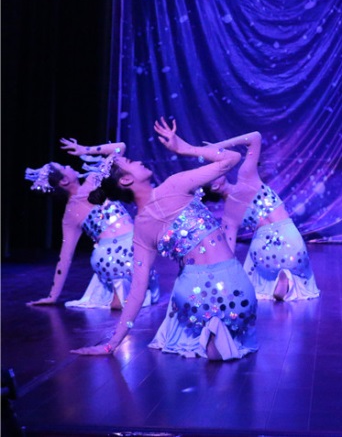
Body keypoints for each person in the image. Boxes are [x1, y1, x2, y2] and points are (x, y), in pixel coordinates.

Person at [72, 119, 257, 360]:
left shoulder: (141, 229)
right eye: (130, 162)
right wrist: (184, 148)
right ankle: (216, 333)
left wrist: (111, 345)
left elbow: (138, 291)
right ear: (126, 180)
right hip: (236, 289)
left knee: (202, 319)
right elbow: (232, 158)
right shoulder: (174, 185)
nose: (138, 161)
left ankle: (209, 330)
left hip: (193, 297)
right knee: (233, 321)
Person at [24, 139, 159, 309]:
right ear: (64, 181)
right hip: (130, 247)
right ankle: (122, 293)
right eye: (64, 167)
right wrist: (84, 150)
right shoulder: (92, 181)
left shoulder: (69, 216)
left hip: (103, 259)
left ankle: (118, 292)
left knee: (124, 273)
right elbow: (120, 147)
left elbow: (64, 258)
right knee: (145, 273)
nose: (69, 166)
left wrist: (52, 296)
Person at [205, 131, 320, 302]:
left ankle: (275, 280)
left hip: (262, 253)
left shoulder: (229, 215)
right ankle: (288, 279)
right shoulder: (247, 176)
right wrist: (219, 146)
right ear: (215, 186)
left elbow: (228, 253)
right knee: (299, 265)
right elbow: (255, 138)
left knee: (257, 270)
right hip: (290, 241)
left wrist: (219, 278)